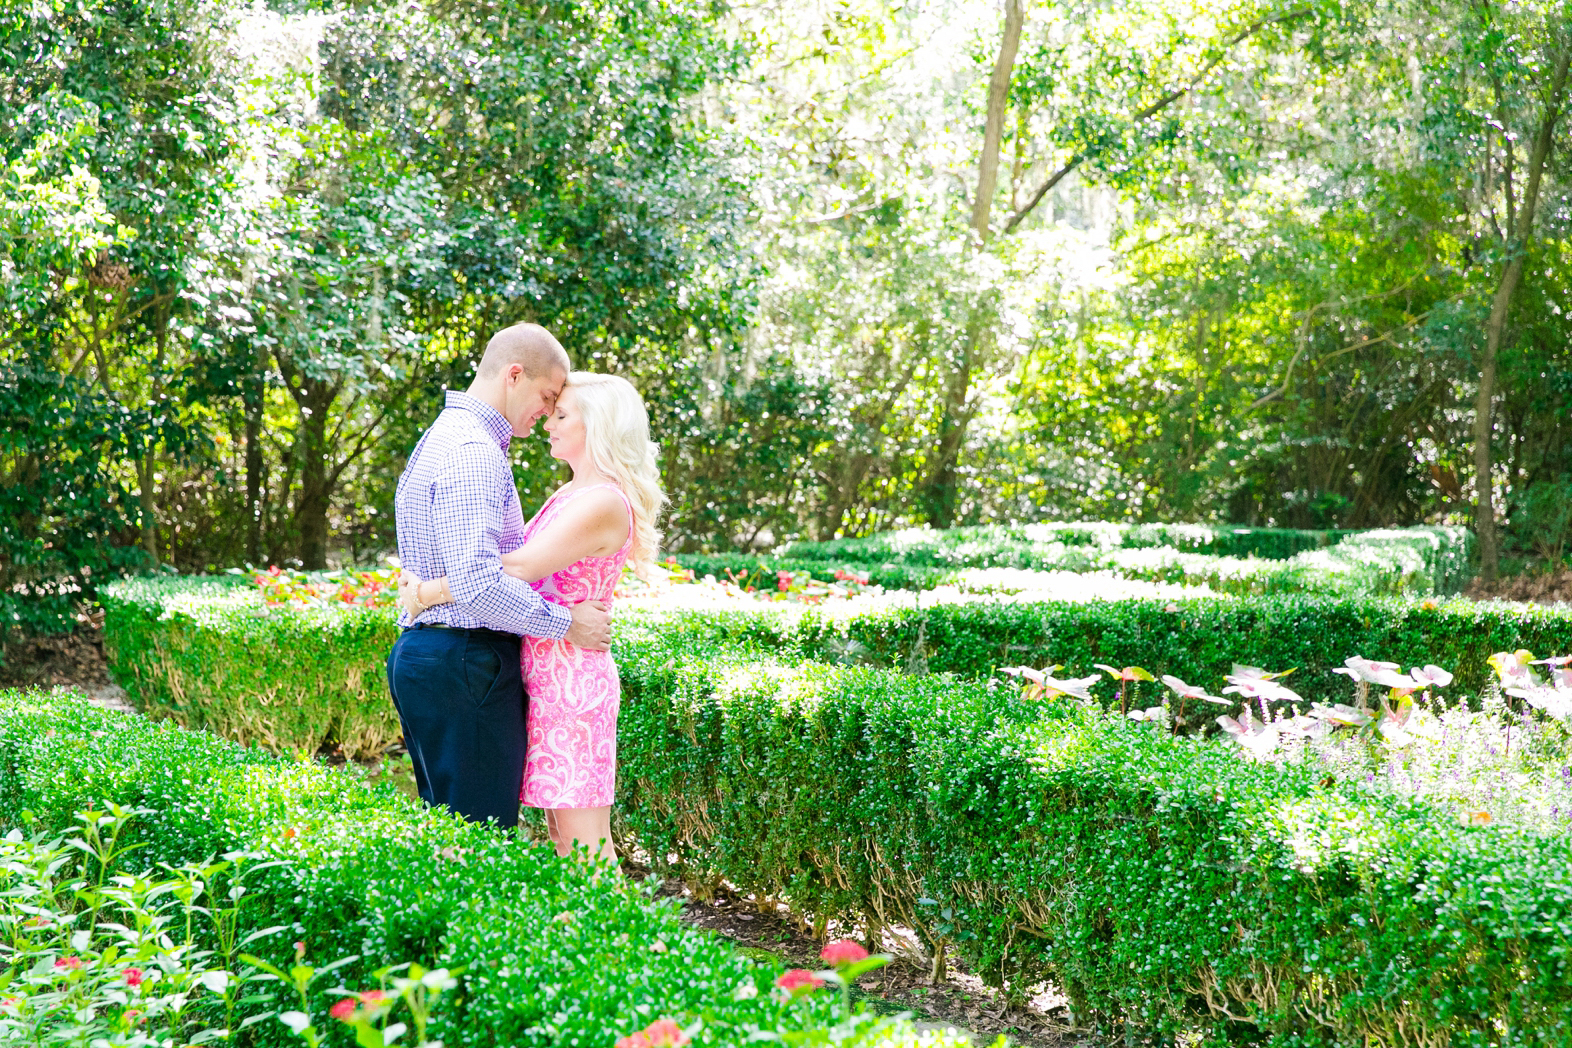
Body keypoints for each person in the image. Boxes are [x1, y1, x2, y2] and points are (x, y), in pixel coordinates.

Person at [399, 371, 664, 865]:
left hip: (572, 684)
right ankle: (579, 938)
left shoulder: (604, 500)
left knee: (583, 843)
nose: (547, 424)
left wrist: (429, 591)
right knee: (561, 838)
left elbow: (517, 567)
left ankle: (619, 941)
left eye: (561, 415)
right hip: (544, 678)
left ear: (598, 427)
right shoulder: (571, 495)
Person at [386, 323, 613, 830]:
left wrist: (427, 593)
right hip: (467, 660)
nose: (547, 411)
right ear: (515, 375)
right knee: (479, 843)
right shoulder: (474, 451)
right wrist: (566, 623)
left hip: (436, 655)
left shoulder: (443, 436)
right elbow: (479, 583)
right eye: (547, 395)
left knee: (451, 840)